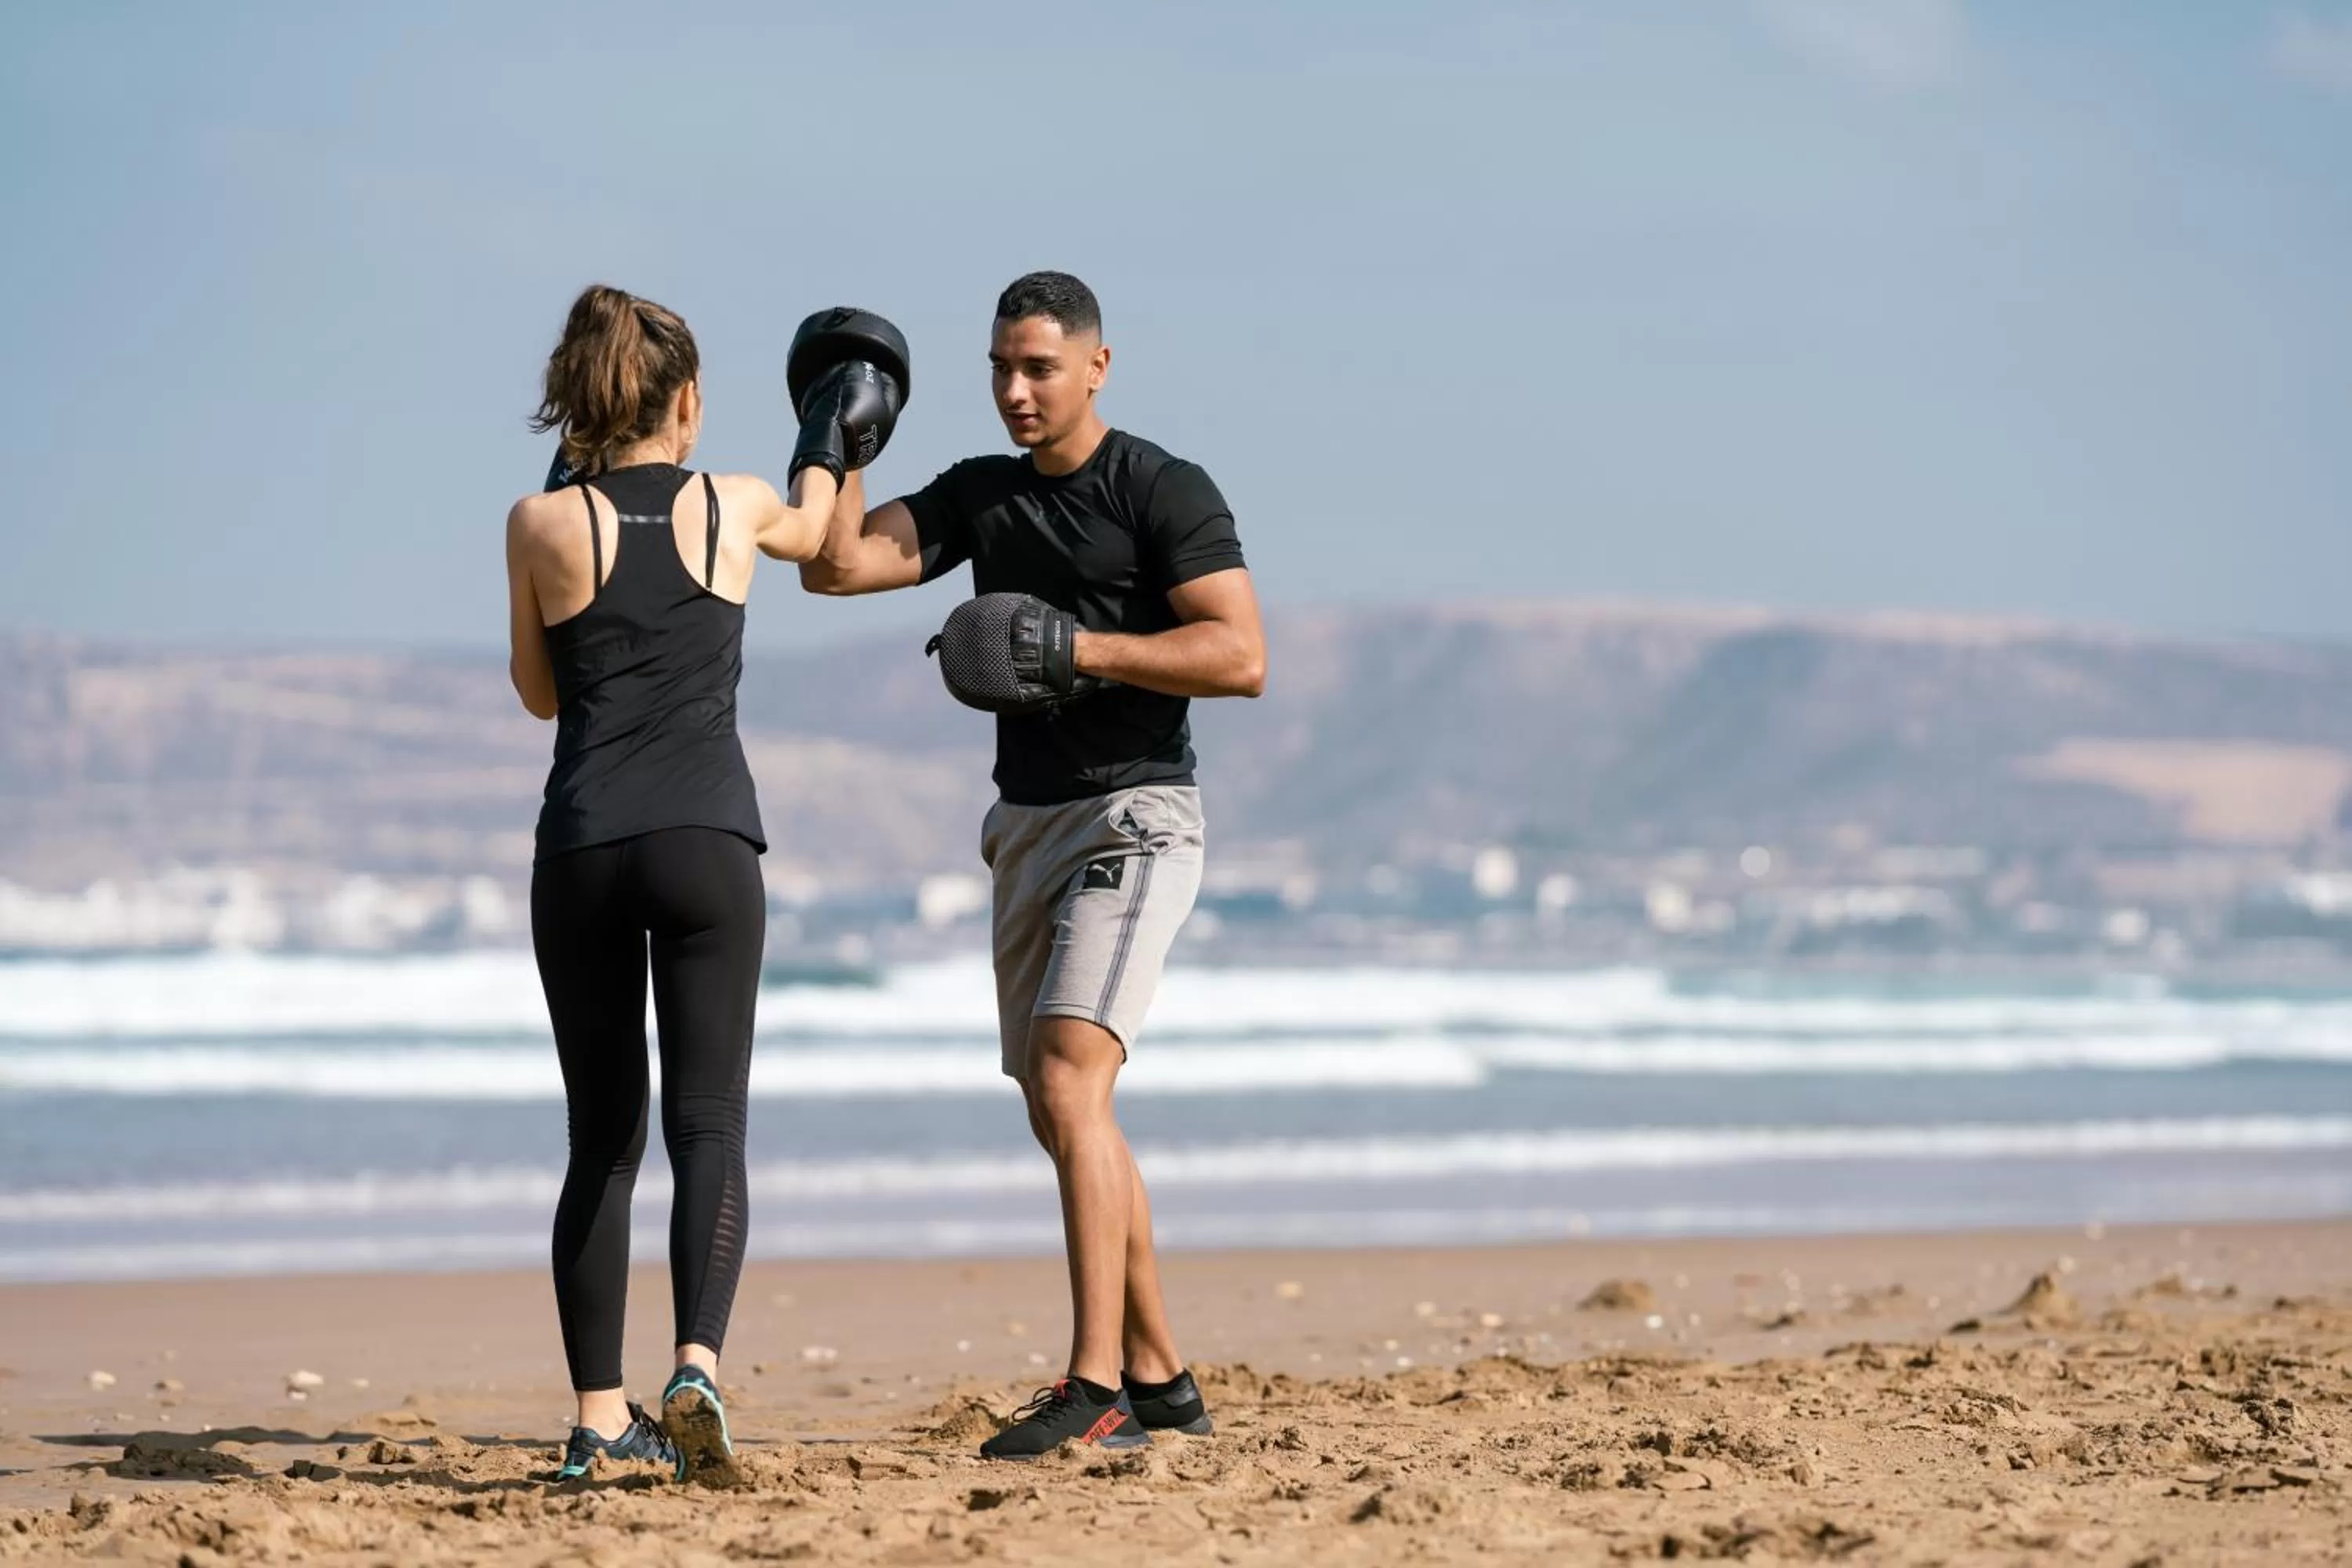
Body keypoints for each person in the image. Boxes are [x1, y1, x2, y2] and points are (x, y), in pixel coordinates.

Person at [799, 270, 1266, 1458]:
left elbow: (1240, 655)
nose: (1016, 390)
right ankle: (1163, 1380)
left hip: (1137, 815)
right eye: (1001, 368)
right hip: (1026, 825)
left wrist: (1081, 650)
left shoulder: (1159, 486)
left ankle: (1093, 1385)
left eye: (1040, 368)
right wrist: (842, 439)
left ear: (1096, 367)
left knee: (1068, 1082)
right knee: (1064, 1110)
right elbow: (837, 567)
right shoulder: (981, 494)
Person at [503, 282, 895, 1483]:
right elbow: (820, 529)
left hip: (582, 847)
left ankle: (593, 1421)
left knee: (601, 1144)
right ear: (686, 402)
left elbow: (540, 694)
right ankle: (695, 1372)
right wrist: (834, 420)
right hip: (706, 843)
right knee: (709, 1122)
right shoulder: (733, 502)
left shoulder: (538, 522)